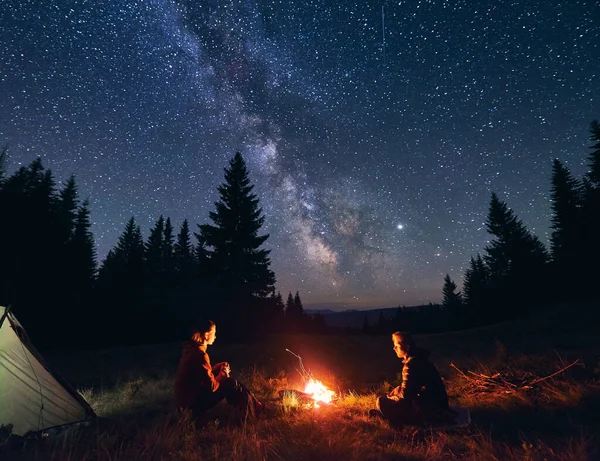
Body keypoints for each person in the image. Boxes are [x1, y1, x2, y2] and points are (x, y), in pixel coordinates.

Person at [174, 319, 264, 421]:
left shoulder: (191, 349)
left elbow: (201, 375)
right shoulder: (200, 355)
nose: (215, 337)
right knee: (230, 383)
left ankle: (255, 405)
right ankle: (249, 416)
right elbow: (212, 386)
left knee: (231, 383)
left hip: (186, 401)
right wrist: (222, 375)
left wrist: (216, 368)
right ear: (206, 335)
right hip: (192, 405)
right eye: (214, 333)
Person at [370, 331, 450, 426]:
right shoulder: (418, 360)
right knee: (393, 397)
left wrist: (393, 397)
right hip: (436, 403)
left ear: (406, 347)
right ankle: (389, 415)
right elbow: (413, 386)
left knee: (381, 401)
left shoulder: (411, 365)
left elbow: (405, 397)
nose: (394, 348)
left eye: (396, 345)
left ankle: (399, 420)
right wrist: (398, 390)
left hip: (429, 409)